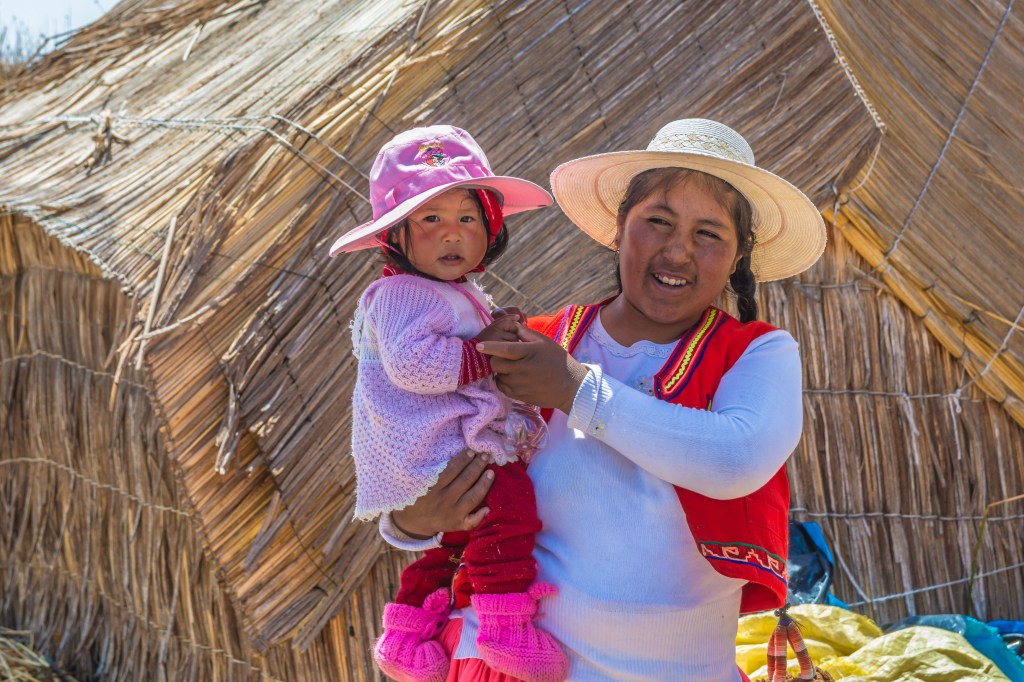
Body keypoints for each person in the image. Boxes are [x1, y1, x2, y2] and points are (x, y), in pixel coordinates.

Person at [384, 118, 827, 681]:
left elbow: (735, 459)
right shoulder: (525, 345)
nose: (678, 252)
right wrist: (411, 521)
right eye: (657, 222)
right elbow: (417, 451)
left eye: (708, 234)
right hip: (508, 667)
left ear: (740, 256)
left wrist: (573, 388)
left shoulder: (756, 357)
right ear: (619, 229)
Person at [329, 125, 568, 682]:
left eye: (466, 218)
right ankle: (505, 629)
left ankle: (408, 634)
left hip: (446, 450)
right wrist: (489, 353)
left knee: (455, 548)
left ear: (490, 227)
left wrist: (496, 331)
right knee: (508, 510)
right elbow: (416, 366)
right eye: (430, 220)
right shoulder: (399, 293)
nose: (451, 235)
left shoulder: (445, 292)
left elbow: (462, 345)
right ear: (396, 235)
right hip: (439, 450)